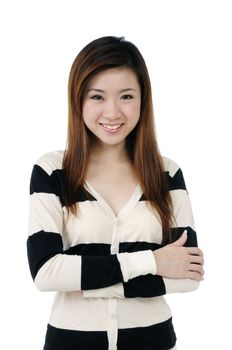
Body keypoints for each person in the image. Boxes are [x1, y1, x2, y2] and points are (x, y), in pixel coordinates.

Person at [27, 36, 204, 350]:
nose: (112, 112)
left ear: (142, 100)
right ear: (78, 99)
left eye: (126, 96)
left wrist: (86, 281)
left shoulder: (167, 174)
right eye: (97, 97)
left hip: (153, 340)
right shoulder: (52, 171)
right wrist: (152, 261)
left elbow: (188, 275)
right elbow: (46, 272)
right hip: (71, 342)